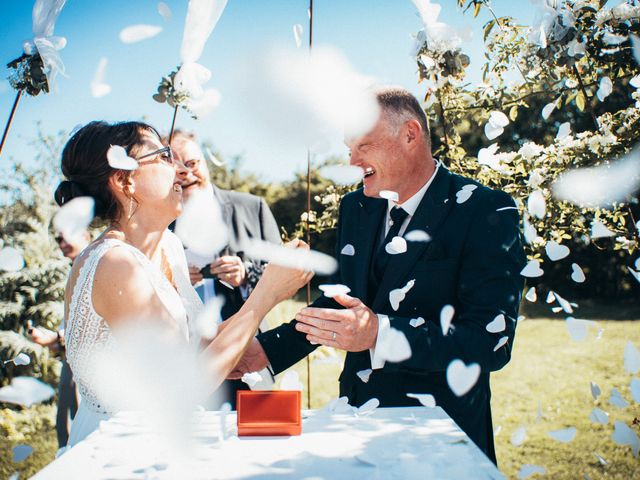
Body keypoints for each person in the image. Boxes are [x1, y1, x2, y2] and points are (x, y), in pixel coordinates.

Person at [233, 87, 526, 464]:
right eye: (348, 149)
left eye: (363, 146)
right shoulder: (357, 206)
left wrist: (379, 334)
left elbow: (492, 343)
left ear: (409, 135)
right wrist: (267, 351)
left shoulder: (487, 209)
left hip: (442, 433)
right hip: (357, 421)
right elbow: (343, 304)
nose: (352, 161)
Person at [54, 120, 312, 447]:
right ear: (124, 180)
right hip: (121, 443)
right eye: (164, 157)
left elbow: (190, 346)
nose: (179, 169)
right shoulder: (114, 263)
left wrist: (253, 324)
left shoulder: (168, 247)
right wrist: (265, 295)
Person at [170, 131, 282, 406]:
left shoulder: (250, 207)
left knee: (255, 432)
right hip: (182, 353)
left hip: (244, 346)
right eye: (176, 169)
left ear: (205, 162)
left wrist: (246, 275)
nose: (185, 173)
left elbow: (285, 272)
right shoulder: (160, 223)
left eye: (192, 163)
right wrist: (173, 278)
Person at [28, 230, 90, 448]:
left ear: (84, 234)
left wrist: (56, 337)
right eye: (58, 239)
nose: (61, 244)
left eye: (65, 237)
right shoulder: (75, 267)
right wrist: (52, 339)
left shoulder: (92, 266)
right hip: (70, 357)